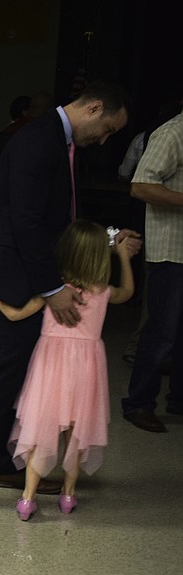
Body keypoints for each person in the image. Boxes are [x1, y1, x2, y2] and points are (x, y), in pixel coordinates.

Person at [0, 80, 139, 518]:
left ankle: (7, 464)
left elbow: (55, 218)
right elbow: (26, 222)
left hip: (29, 271)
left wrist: (104, 237)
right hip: (18, 275)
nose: (104, 140)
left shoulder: (52, 138)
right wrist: (54, 288)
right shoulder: (37, 140)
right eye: (107, 129)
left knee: (23, 376)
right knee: (1, 378)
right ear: (95, 108)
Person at [0, 220, 136, 519]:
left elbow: (14, 313)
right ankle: (68, 495)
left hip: (51, 369)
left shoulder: (53, 292)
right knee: (76, 437)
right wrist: (124, 257)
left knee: (40, 432)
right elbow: (127, 292)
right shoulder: (103, 292)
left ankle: (27, 499)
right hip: (87, 372)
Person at [121, 110, 183, 432]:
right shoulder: (173, 133)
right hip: (170, 251)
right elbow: (140, 186)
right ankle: (138, 404)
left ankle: (179, 399)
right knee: (161, 332)